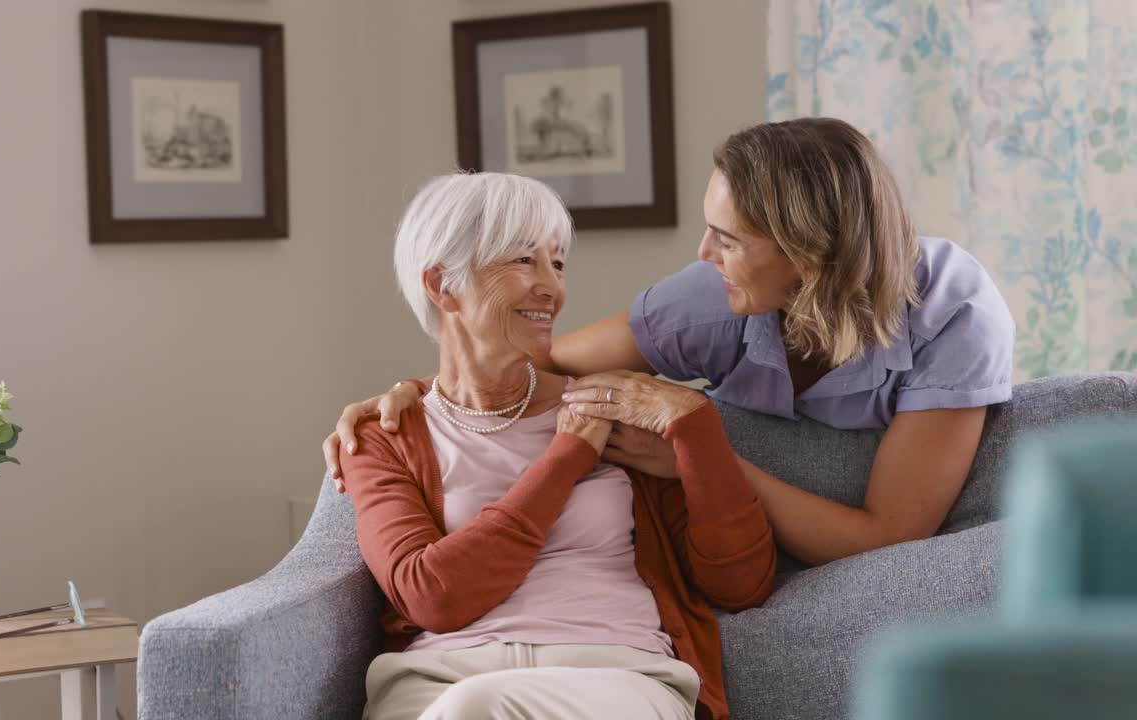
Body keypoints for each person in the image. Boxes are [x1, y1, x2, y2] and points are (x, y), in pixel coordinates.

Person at [327, 118, 1015, 567]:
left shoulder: (955, 311)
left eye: (729, 238)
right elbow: (534, 357)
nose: (702, 250)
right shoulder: (707, 297)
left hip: (878, 554)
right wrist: (419, 396)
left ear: (807, 256)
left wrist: (697, 450)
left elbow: (887, 539)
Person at [341, 171, 775, 720]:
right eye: (524, 261)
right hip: (437, 682)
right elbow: (433, 597)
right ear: (442, 285)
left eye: (558, 263)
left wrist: (696, 429)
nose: (552, 287)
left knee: (473, 710)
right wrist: (566, 460)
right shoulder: (384, 436)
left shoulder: (613, 412)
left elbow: (740, 584)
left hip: (615, 677)